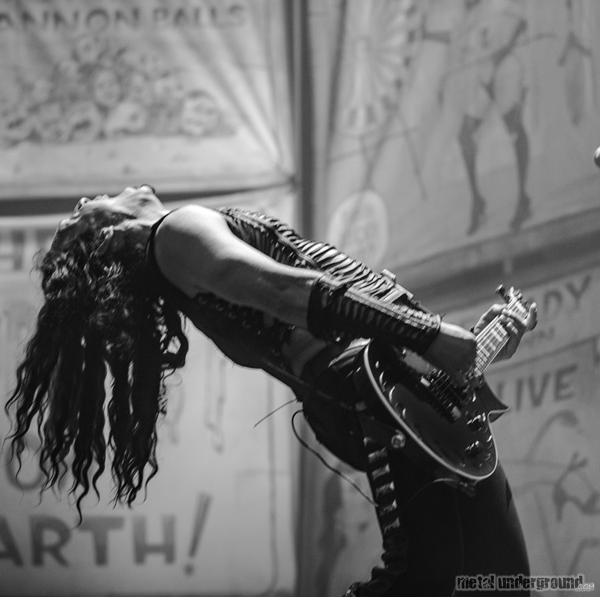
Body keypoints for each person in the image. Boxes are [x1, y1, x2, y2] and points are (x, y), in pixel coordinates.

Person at [6, 186, 537, 596]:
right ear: (104, 236)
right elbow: (287, 292)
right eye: (75, 218)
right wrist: (427, 334)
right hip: (383, 399)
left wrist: (467, 346)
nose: (82, 201)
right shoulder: (174, 232)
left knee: (492, 581)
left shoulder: (177, 249)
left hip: (408, 400)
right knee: (428, 579)